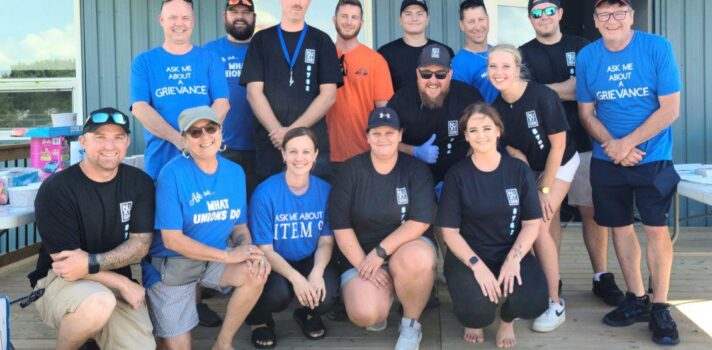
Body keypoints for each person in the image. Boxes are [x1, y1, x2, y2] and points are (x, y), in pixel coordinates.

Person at [576, 0, 682, 345]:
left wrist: (629, 144)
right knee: (619, 227)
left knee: (655, 229)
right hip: (609, 159)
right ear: (595, 20)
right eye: (604, 14)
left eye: (619, 12)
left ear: (631, 16)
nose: (612, 20)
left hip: (652, 157)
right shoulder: (588, 56)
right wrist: (613, 146)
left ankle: (660, 306)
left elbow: (670, 109)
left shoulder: (656, 47)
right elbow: (586, 112)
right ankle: (636, 297)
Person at [520, 0, 625, 307]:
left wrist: (541, 89)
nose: (544, 17)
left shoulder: (583, 47)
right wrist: (564, 87)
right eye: (537, 13)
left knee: (591, 210)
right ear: (530, 18)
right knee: (547, 213)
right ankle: (553, 278)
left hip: (584, 141)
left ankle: (601, 275)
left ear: (560, 14)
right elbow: (522, 90)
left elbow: (587, 87)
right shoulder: (522, 52)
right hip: (541, 149)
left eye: (549, 10)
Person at [142, 106, 270, 350]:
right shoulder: (171, 174)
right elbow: (172, 240)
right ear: (184, 139)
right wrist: (228, 255)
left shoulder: (235, 172)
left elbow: (239, 226)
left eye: (210, 128)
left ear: (221, 131)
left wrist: (247, 249)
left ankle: (223, 343)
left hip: (214, 260)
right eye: (195, 132)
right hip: (173, 267)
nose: (205, 137)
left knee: (257, 271)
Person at [27, 107, 156, 349]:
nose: (110, 145)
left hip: (108, 276)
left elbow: (140, 243)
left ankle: (93, 336)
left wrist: (94, 263)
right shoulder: (57, 189)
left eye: (118, 137)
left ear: (127, 141)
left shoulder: (140, 182)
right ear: (83, 142)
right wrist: (123, 284)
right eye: (100, 137)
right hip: (58, 279)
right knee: (98, 303)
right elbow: (67, 265)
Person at [437, 103, 548, 348]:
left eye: (487, 128)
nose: (481, 135)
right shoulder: (457, 175)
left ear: (498, 130)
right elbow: (450, 232)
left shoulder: (519, 171)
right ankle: (476, 315)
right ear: (466, 136)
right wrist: (477, 266)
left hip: (509, 250)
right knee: (477, 312)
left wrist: (514, 259)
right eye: (473, 130)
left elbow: (531, 224)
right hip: (470, 254)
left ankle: (506, 319)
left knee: (535, 301)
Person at [488, 44, 579, 333]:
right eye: (493, 67)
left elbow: (559, 145)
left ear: (518, 69)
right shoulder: (498, 107)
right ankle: (535, 290)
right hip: (531, 170)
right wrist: (527, 173)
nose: (499, 72)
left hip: (561, 162)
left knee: (538, 224)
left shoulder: (542, 95)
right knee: (530, 224)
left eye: (506, 66)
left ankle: (555, 301)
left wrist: (544, 190)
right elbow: (512, 149)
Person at [329, 107, 437, 350]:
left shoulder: (415, 169)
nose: (383, 138)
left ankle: (410, 324)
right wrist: (364, 264)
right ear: (367, 137)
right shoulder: (350, 170)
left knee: (416, 260)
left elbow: (419, 221)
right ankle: (386, 296)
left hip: (405, 246)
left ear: (400, 135)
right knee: (366, 315)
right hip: (361, 251)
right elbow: (341, 226)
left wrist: (380, 253)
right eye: (376, 133)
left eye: (390, 133)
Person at [246, 127, 338, 349]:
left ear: (316, 155)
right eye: (293, 151)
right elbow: (265, 249)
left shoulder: (325, 191)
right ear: (283, 155)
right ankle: (259, 320)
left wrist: (316, 273)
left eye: (306, 152)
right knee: (278, 295)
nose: (299, 158)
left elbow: (326, 241)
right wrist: (297, 279)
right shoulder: (265, 193)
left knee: (325, 295)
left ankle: (306, 313)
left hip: (308, 256)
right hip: (273, 259)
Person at [241, 0, 342, 183]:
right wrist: (277, 131)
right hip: (270, 146)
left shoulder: (322, 40)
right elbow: (253, 93)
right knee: (271, 205)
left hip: (311, 150)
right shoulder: (261, 40)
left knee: (314, 206)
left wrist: (290, 134)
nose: (297, 3)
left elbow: (329, 95)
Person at [130, 0, 229, 180]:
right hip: (161, 165)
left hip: (205, 163)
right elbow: (140, 108)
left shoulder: (210, 59)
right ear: (161, 20)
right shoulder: (144, 61)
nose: (179, 23)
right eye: (173, 17)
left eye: (185, 18)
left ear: (192, 21)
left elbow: (222, 103)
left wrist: (200, 140)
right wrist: (181, 140)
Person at [388, 43, 484, 187]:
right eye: (426, 74)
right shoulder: (401, 100)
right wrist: (414, 151)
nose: (433, 81)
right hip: (413, 179)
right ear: (417, 73)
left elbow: (486, 135)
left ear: (450, 74)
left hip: (461, 179)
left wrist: (466, 168)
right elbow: (385, 140)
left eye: (440, 74)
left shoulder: (469, 96)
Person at [327, 0, 394, 167]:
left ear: (361, 23)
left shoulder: (375, 61)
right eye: (344, 16)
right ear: (335, 20)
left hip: (364, 153)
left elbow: (383, 110)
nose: (349, 22)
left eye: (354, 17)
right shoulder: (323, 56)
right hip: (323, 153)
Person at [203, 0, 259, 198]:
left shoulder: (264, 49)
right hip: (221, 146)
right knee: (224, 206)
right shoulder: (208, 52)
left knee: (258, 208)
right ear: (224, 16)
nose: (240, 16)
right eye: (234, 11)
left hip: (262, 147)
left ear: (254, 17)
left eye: (246, 12)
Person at [378, 0, 455, 92]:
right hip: (397, 106)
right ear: (400, 20)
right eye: (408, 14)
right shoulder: (385, 53)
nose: (414, 18)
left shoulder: (444, 51)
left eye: (419, 14)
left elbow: (453, 89)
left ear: (427, 19)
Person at [451, 0, 499, 103]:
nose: (477, 27)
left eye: (481, 19)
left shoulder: (500, 53)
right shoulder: (459, 64)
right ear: (462, 25)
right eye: (471, 22)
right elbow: (462, 106)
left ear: (488, 20)